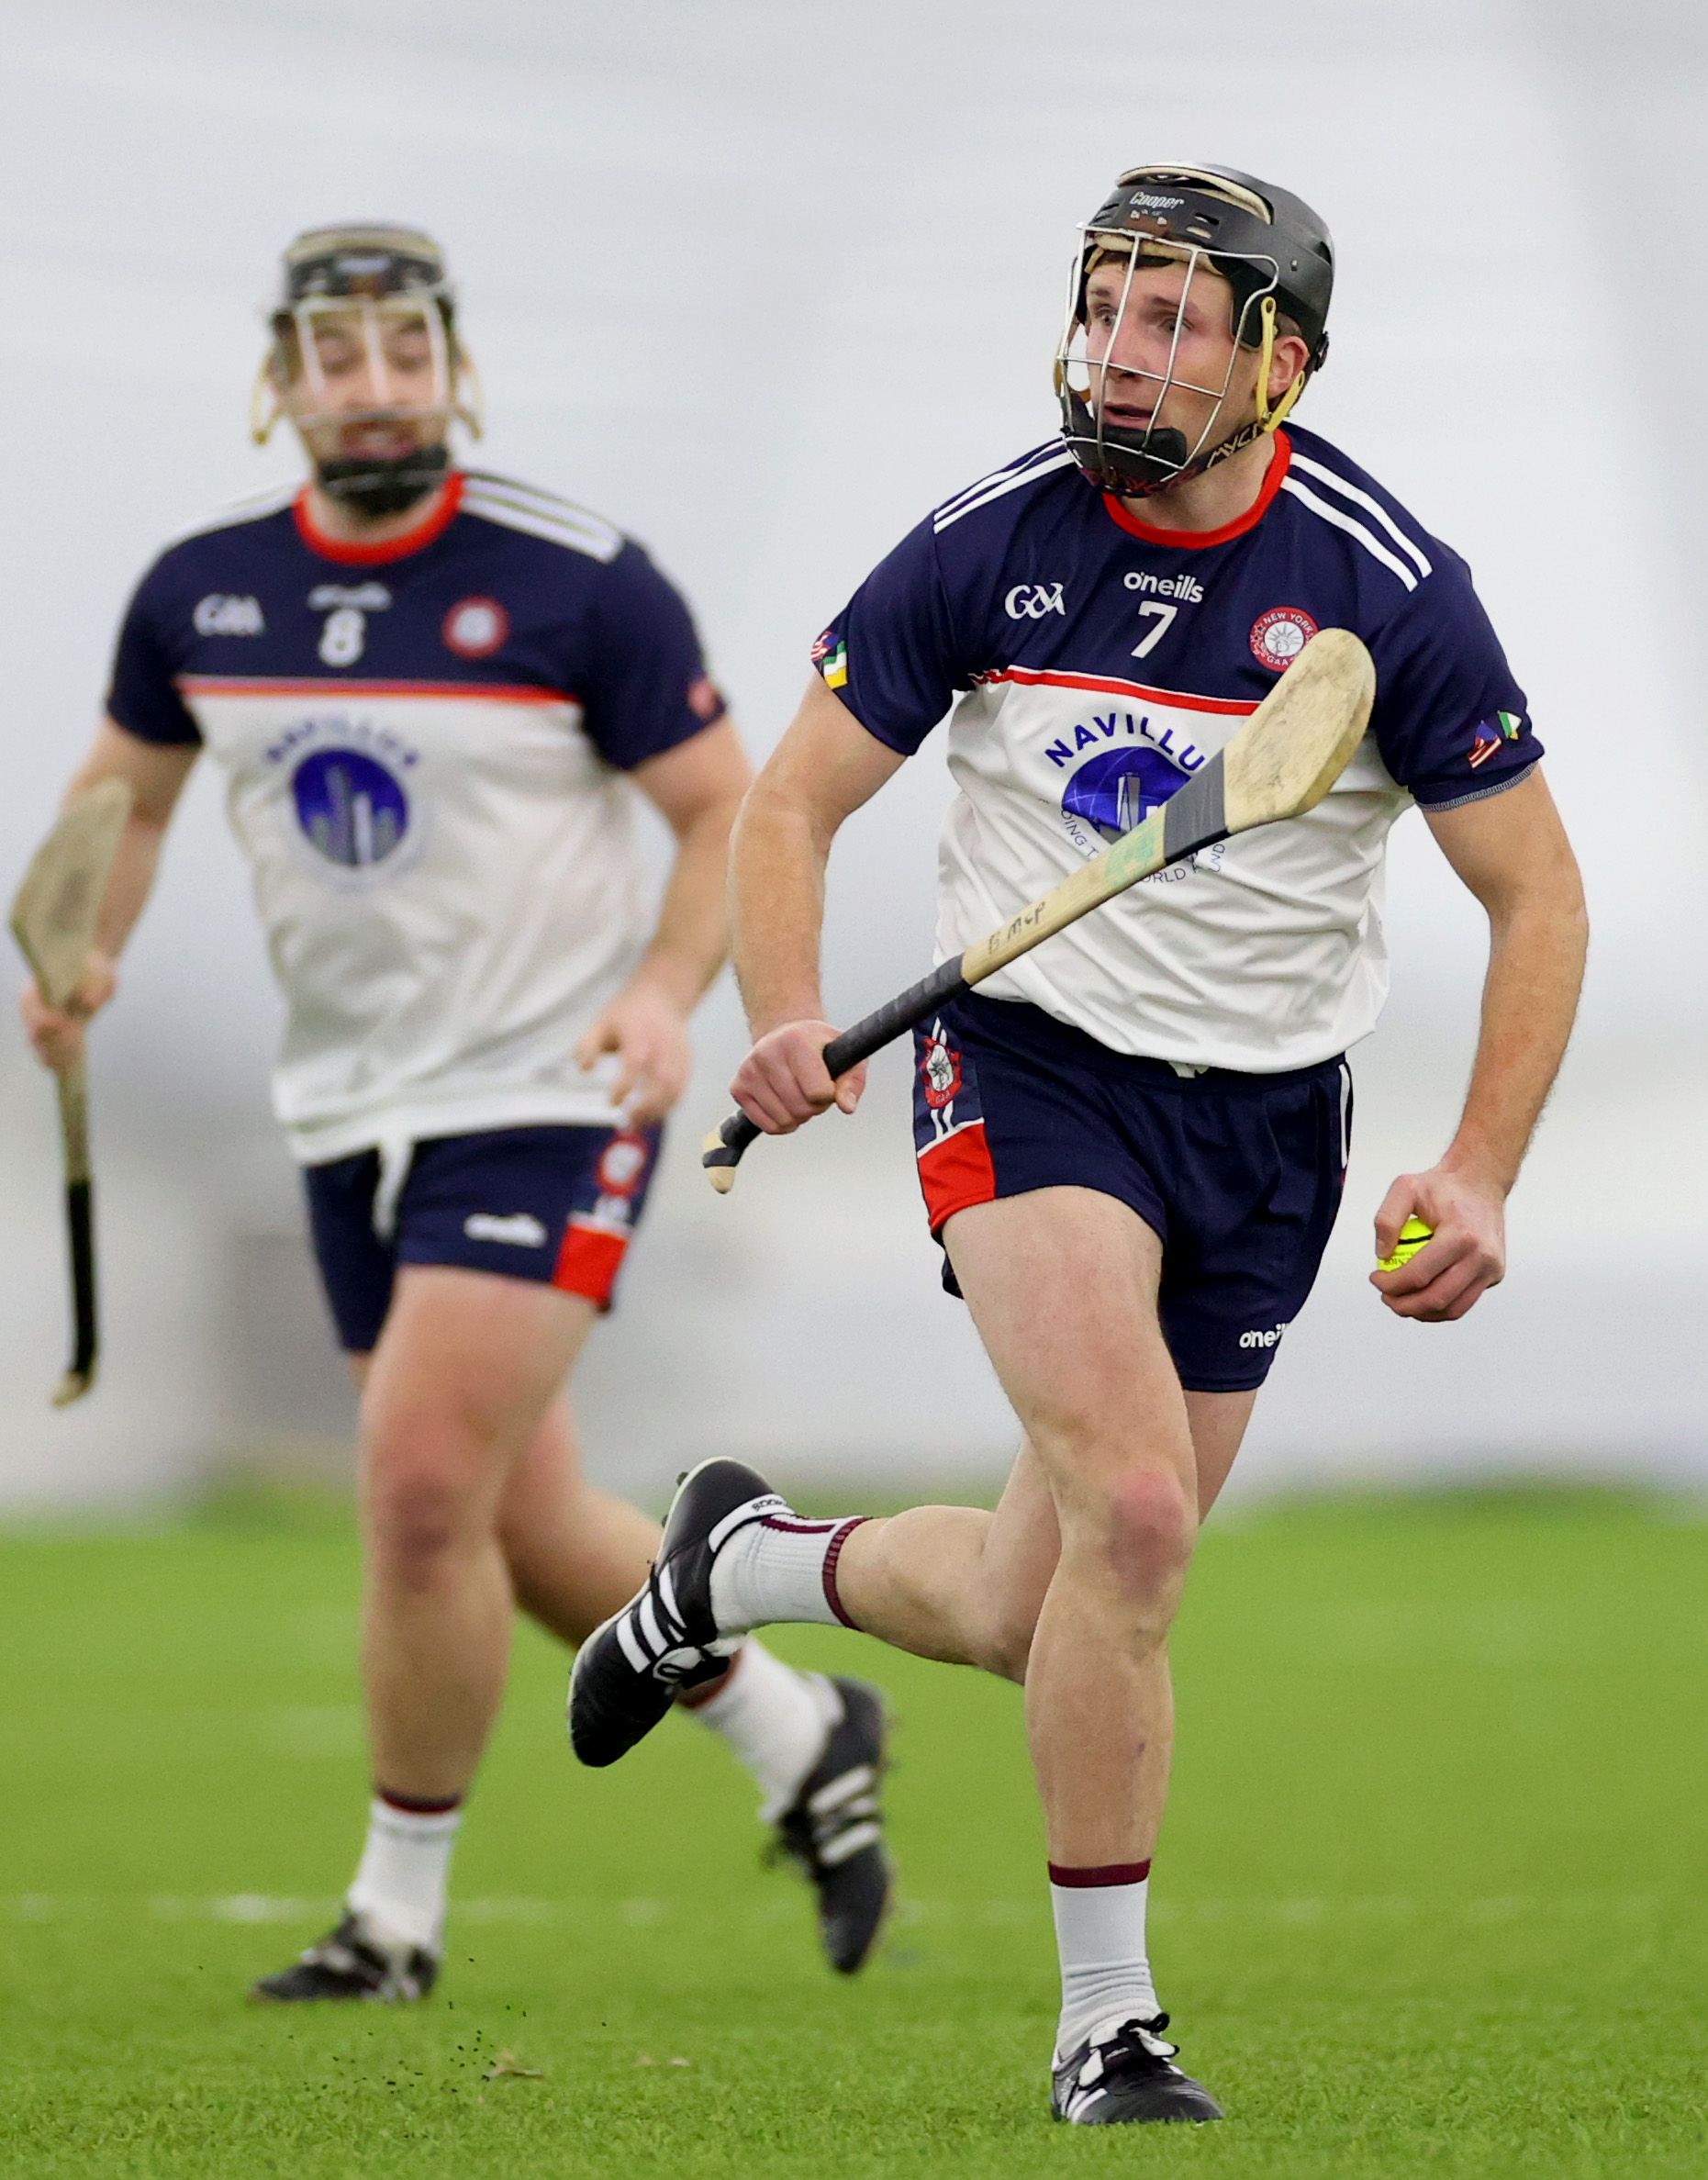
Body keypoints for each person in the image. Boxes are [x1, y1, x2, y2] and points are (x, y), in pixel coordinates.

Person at [565, 165, 1588, 2122]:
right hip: (1028, 1072)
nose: (1122, 351)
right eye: (1108, 303)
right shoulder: (990, 541)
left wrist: (1478, 1167)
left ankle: (739, 1568)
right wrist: (784, 1006)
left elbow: (1536, 895)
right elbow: (787, 807)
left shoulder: (1384, 583)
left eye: (1176, 318)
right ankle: (1107, 2027)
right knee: (1136, 1516)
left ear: (1282, 364)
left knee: (1028, 1606)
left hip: (1272, 1123)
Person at [18, 223, 891, 2003]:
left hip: (550, 1094)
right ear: (281, 383)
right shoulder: (202, 591)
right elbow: (123, 804)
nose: (374, 388)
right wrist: (77, 950)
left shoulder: (578, 583)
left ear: (456, 369)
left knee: (418, 1484)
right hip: (348, 1108)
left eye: (405, 352)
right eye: (335, 358)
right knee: (515, 1516)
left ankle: (392, 1919)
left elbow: (723, 812)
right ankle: (804, 1734)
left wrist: (659, 995)